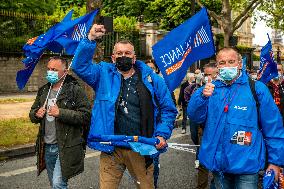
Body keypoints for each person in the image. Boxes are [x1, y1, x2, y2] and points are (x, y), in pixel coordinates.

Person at [71, 24, 177, 189]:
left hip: (141, 147)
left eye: (127, 53)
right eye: (119, 54)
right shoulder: (102, 74)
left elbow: (168, 109)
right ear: (113, 58)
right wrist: (90, 39)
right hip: (111, 148)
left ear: (134, 58)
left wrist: (162, 134)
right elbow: (79, 66)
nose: (123, 56)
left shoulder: (152, 79)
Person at [187, 47, 284, 189]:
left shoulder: (257, 89)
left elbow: (273, 128)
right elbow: (195, 116)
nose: (227, 66)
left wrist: (275, 162)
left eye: (231, 62)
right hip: (219, 165)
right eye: (222, 62)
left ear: (240, 64)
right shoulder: (209, 90)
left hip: (247, 166)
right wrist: (201, 97)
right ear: (218, 66)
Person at [29, 56, 91, 188]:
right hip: (47, 146)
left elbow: (86, 116)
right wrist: (36, 114)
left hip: (66, 146)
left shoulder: (75, 90)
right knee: (54, 184)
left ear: (65, 71)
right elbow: (32, 114)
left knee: (58, 183)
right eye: (49, 69)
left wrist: (61, 113)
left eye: (54, 69)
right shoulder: (44, 90)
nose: (50, 72)